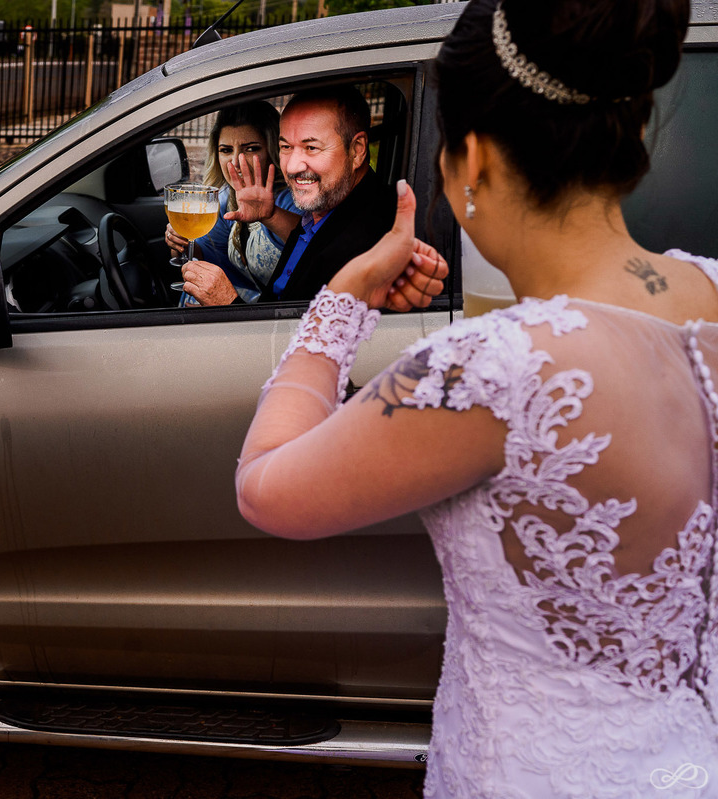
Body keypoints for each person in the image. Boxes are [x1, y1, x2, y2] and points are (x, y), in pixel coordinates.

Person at [236, 0, 717, 795]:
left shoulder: (490, 369)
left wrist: (346, 293)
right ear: (631, 131)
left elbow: (265, 485)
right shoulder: (710, 293)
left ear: (476, 161)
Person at [178, 85, 396, 305]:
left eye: (311, 148)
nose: (292, 167)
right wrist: (271, 215)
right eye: (286, 147)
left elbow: (304, 326)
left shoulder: (371, 240)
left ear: (357, 150)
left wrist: (228, 304)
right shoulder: (324, 214)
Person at [164, 101, 300, 304]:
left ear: (272, 150)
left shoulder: (294, 200)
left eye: (251, 149)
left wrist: (271, 215)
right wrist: (180, 242)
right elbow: (208, 257)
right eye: (226, 150)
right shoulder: (226, 199)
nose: (236, 162)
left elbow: (316, 245)